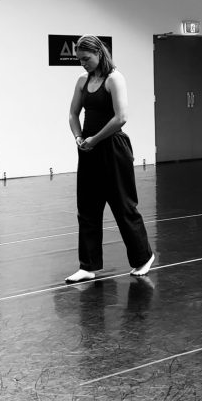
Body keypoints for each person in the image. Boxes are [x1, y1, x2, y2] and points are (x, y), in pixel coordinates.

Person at [64, 35, 154, 283]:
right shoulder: (83, 81)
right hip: (89, 150)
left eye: (87, 58)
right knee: (88, 208)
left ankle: (143, 257)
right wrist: (79, 137)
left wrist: (94, 139)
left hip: (114, 148)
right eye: (80, 60)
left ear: (99, 54)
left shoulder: (115, 79)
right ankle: (88, 265)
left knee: (123, 206)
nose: (83, 63)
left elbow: (121, 117)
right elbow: (73, 113)